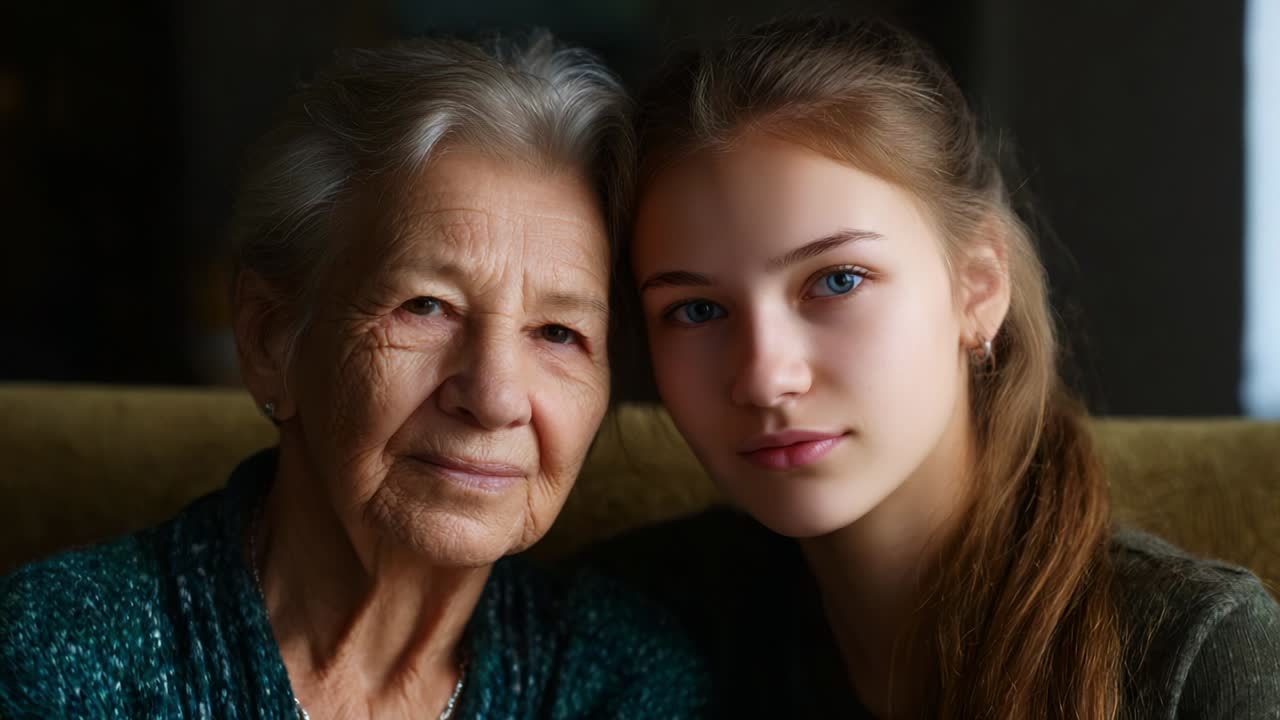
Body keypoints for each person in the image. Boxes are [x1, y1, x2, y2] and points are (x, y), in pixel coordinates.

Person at [0, 33, 706, 719]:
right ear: (271, 338)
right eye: (425, 307)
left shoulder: (615, 678)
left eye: (560, 333)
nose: (494, 398)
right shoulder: (52, 657)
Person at [609, 15, 1280, 719]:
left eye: (838, 280)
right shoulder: (629, 632)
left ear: (978, 286)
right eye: (696, 311)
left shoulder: (1194, 658)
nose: (764, 378)